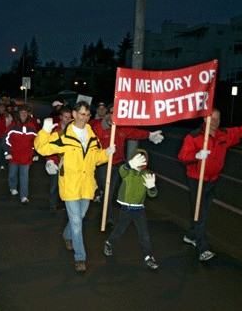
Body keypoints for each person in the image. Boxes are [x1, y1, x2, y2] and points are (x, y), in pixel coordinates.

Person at [177, 108, 242, 261]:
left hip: (212, 179)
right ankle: (203, 249)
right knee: (200, 213)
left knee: (204, 211)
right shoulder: (194, 137)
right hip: (197, 179)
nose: (214, 122)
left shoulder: (224, 134)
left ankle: (191, 236)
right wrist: (196, 156)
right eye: (211, 119)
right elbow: (182, 156)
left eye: (217, 119)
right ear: (204, 120)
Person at [34, 101, 116, 273]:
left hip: (87, 186)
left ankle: (67, 235)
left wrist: (106, 154)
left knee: (79, 217)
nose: (84, 118)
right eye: (82, 114)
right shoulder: (64, 135)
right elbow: (41, 148)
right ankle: (80, 258)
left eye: (88, 115)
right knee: (77, 222)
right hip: (70, 185)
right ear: (74, 114)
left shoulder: (92, 135)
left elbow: (95, 158)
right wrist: (44, 131)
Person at [91, 104, 164, 227]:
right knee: (108, 191)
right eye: (114, 113)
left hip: (118, 164)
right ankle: (107, 218)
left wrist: (150, 135)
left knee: (111, 191)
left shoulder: (122, 128)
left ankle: (104, 212)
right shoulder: (98, 128)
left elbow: (135, 133)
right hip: (103, 165)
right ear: (108, 114)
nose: (117, 117)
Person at [103, 149, 159, 270]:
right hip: (126, 209)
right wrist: (129, 165)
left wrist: (152, 188)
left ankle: (148, 257)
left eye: (143, 160)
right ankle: (109, 243)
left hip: (139, 210)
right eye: (138, 159)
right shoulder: (128, 173)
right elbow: (122, 170)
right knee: (120, 230)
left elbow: (152, 194)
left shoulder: (146, 174)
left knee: (144, 235)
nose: (140, 162)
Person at [3, 104, 39, 204]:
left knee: (24, 176)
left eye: (25, 113)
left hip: (26, 157)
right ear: (18, 113)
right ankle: (12, 187)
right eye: (22, 112)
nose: (23, 114)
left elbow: (36, 142)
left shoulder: (32, 126)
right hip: (14, 156)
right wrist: (7, 152)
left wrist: (35, 153)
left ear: (28, 114)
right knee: (12, 174)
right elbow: (5, 139)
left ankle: (24, 196)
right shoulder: (13, 125)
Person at [44, 106, 72, 213]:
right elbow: (50, 145)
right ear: (60, 117)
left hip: (68, 162)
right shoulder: (56, 130)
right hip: (56, 162)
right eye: (65, 117)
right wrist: (50, 160)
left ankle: (63, 204)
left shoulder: (73, 129)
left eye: (69, 117)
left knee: (65, 185)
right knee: (54, 185)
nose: (67, 119)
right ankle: (52, 205)